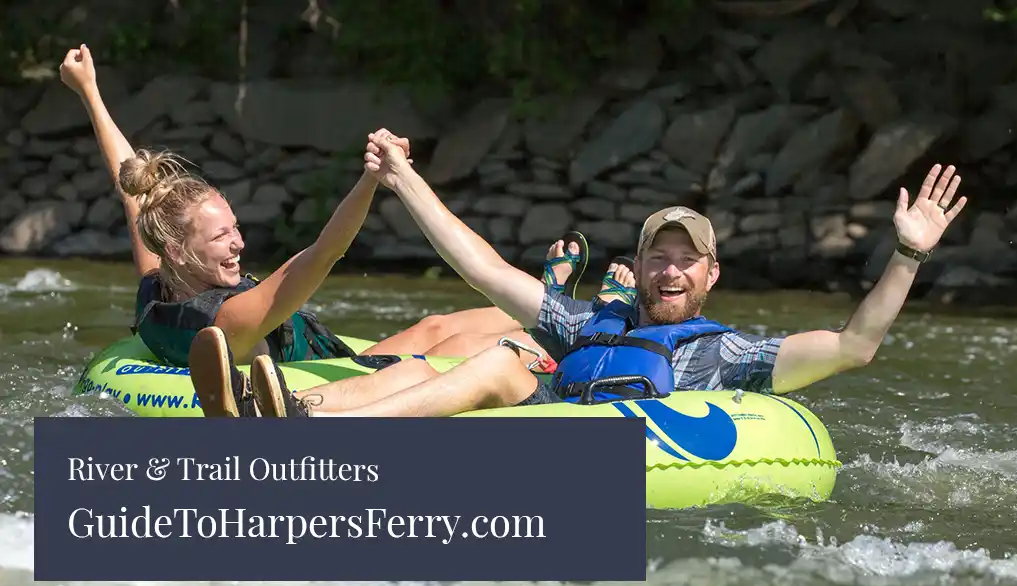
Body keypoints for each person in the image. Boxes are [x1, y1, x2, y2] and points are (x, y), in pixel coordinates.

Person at [187, 129, 968, 418]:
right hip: (544, 409)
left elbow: (854, 345)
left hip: (631, 445)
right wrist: (401, 177)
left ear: (709, 276)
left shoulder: (726, 354)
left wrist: (908, 253)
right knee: (455, 362)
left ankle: (319, 433)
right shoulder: (588, 322)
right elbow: (480, 265)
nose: (669, 269)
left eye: (685, 259)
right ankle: (292, 410)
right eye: (657, 255)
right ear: (642, 264)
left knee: (504, 360)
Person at [57, 44, 633, 388]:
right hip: (355, 379)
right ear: (180, 250)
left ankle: (561, 307)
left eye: (234, 228)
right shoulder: (227, 320)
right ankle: (588, 332)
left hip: (344, 355)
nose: (238, 245)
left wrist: (89, 93)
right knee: (473, 347)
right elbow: (324, 253)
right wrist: (370, 180)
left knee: (438, 325)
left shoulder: (157, 284)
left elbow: (134, 191)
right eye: (221, 237)